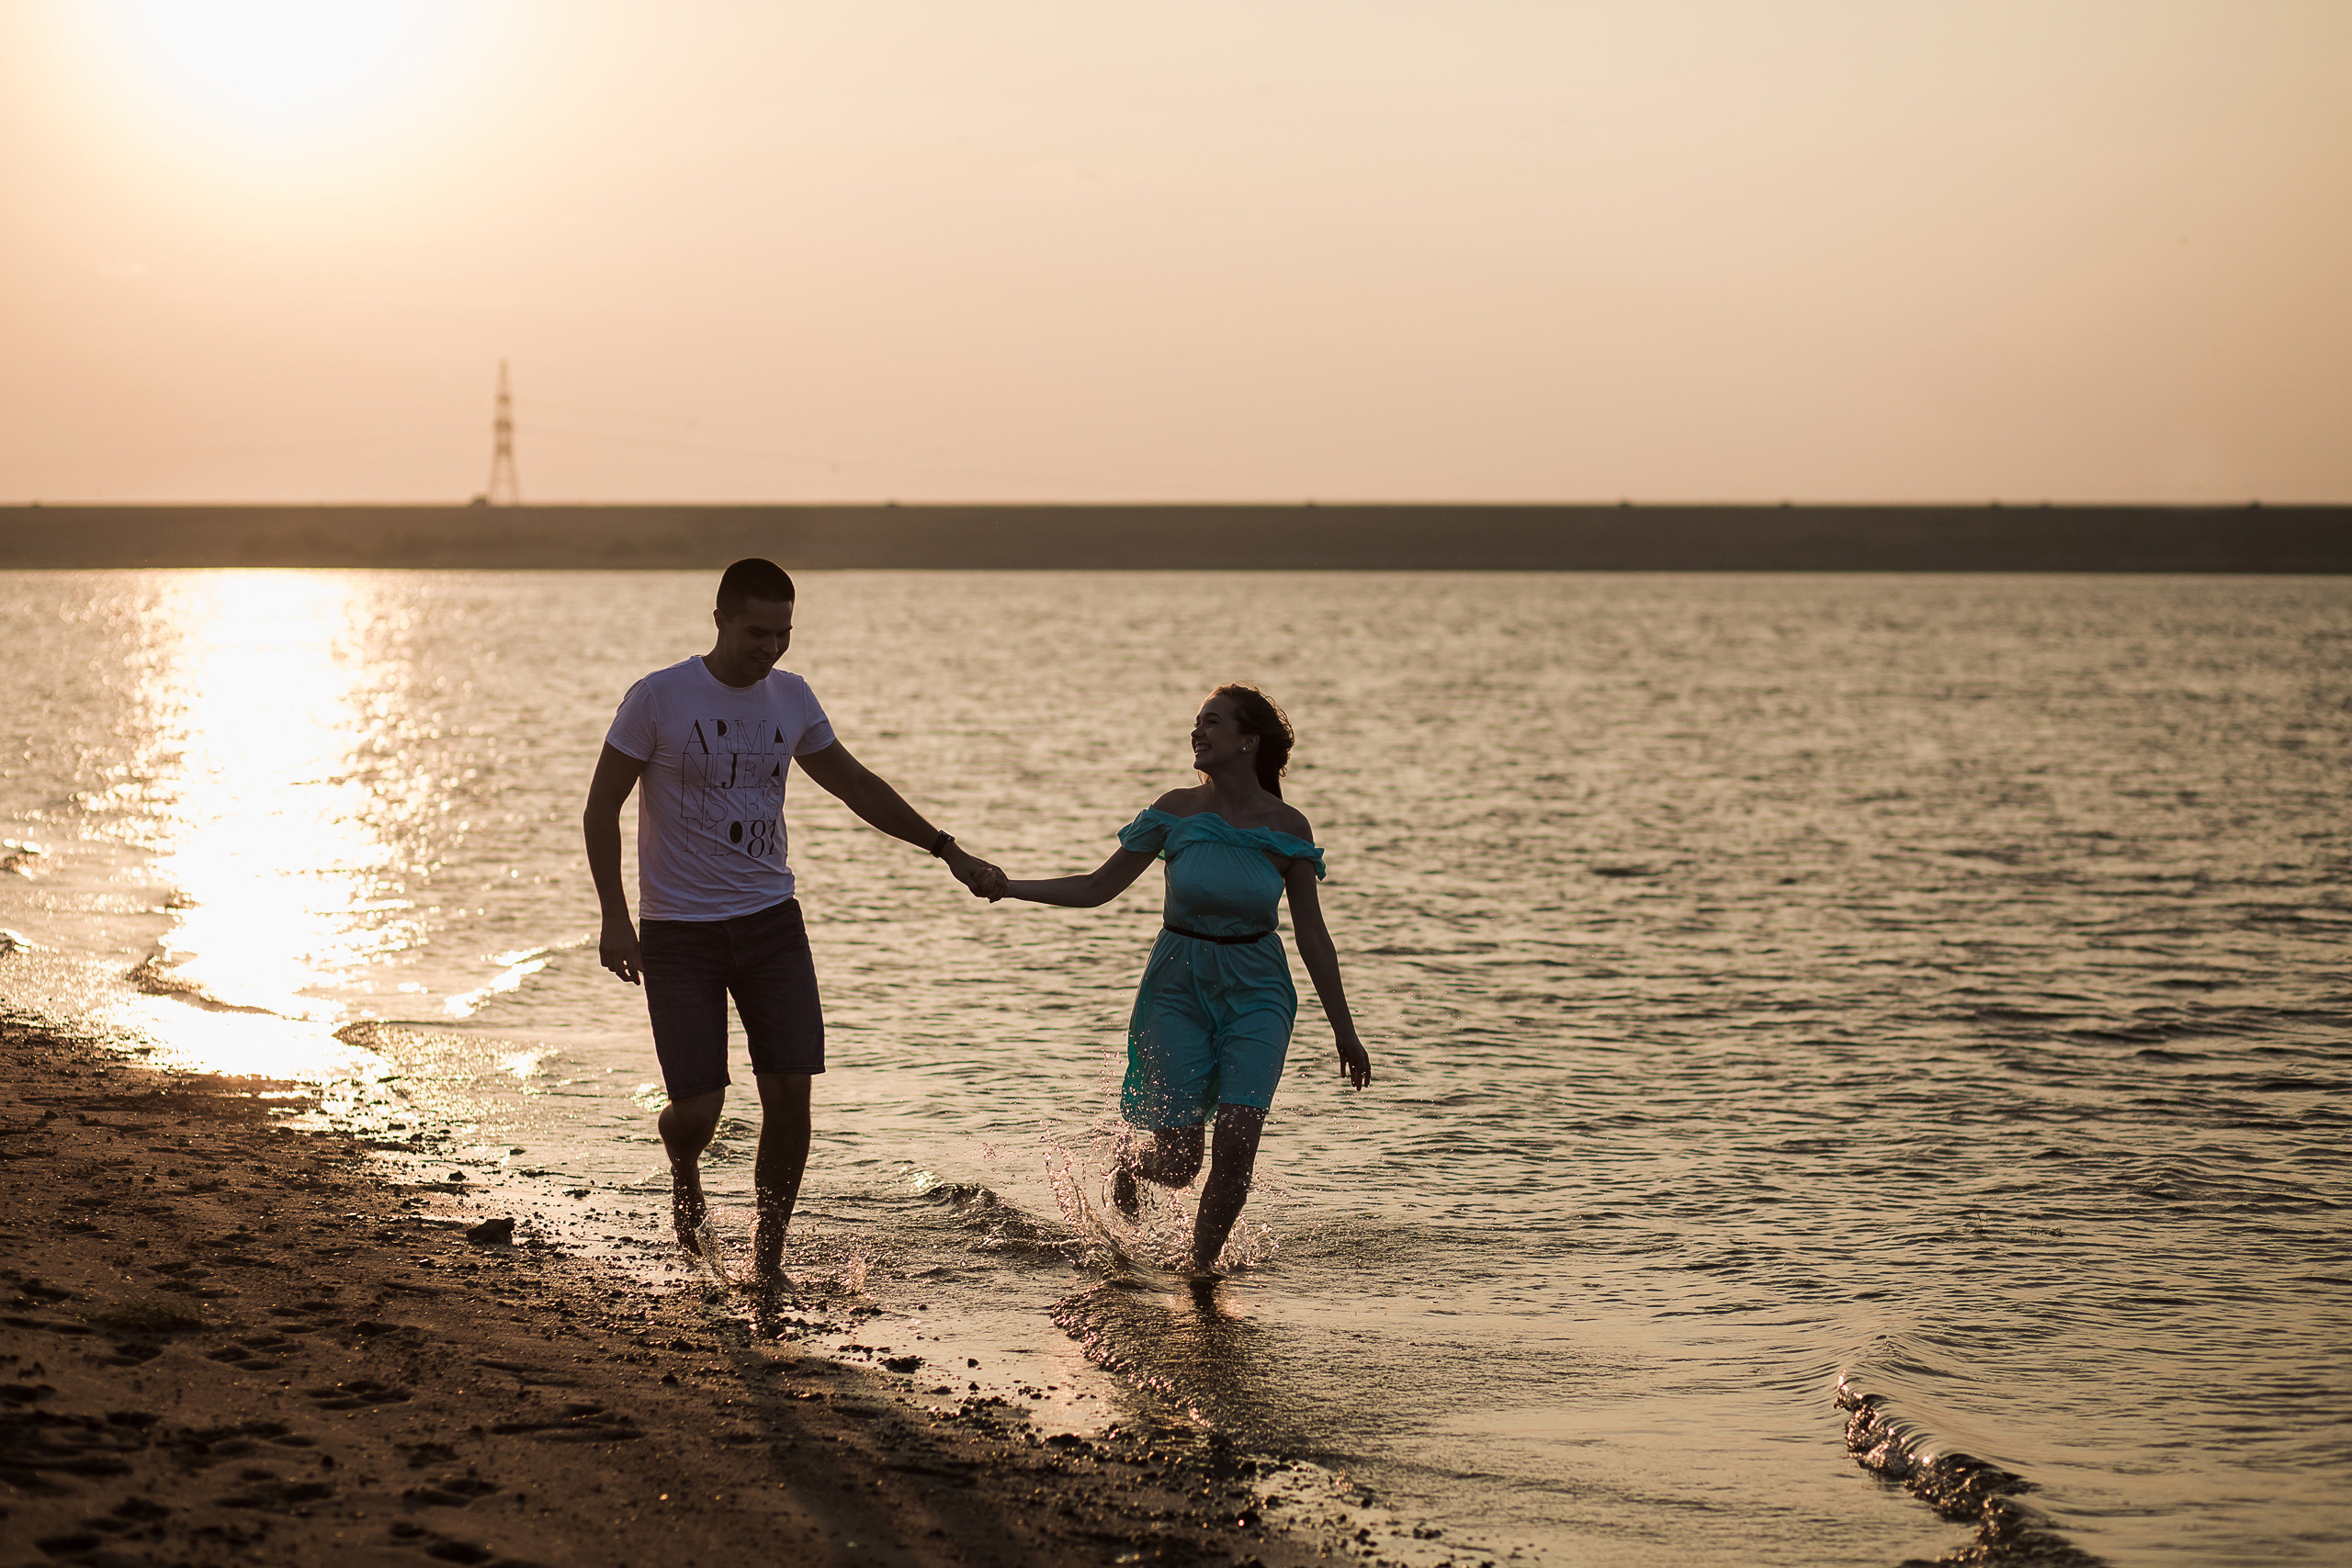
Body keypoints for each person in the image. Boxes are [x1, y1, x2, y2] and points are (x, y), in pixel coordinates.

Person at [583, 558, 997, 1292]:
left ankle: (766, 1257)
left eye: (784, 634)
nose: (770, 649)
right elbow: (601, 806)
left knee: (791, 1096)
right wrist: (616, 918)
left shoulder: (792, 698)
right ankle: (683, 1161)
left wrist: (945, 848)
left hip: (773, 922)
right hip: (680, 931)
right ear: (718, 619)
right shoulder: (658, 697)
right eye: (756, 633)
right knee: (700, 1110)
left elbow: (856, 783)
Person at [973, 684, 1371, 1276]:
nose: (1197, 732)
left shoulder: (1288, 826)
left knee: (1236, 1147)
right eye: (1196, 722)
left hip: (1258, 990)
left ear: (1248, 741)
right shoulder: (1176, 811)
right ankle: (1132, 1165)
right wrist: (1009, 887)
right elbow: (1095, 888)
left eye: (1211, 722)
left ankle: (1200, 1273)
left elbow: (1313, 936)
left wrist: (1346, 1031)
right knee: (1182, 1161)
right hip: (1178, 986)